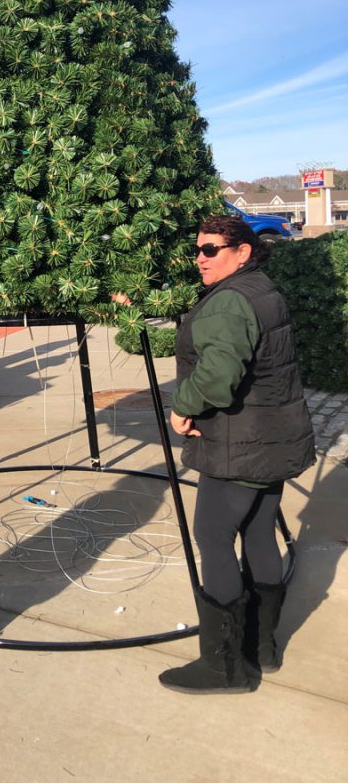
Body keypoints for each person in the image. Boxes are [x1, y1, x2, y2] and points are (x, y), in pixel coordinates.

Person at [161, 214, 315, 694]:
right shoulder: (259, 289)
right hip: (274, 438)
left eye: (211, 249)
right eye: (198, 249)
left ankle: (224, 668)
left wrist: (183, 408)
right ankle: (261, 650)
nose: (200, 258)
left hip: (240, 443)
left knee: (212, 535)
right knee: (258, 534)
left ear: (242, 251)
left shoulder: (230, 302)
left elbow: (218, 376)